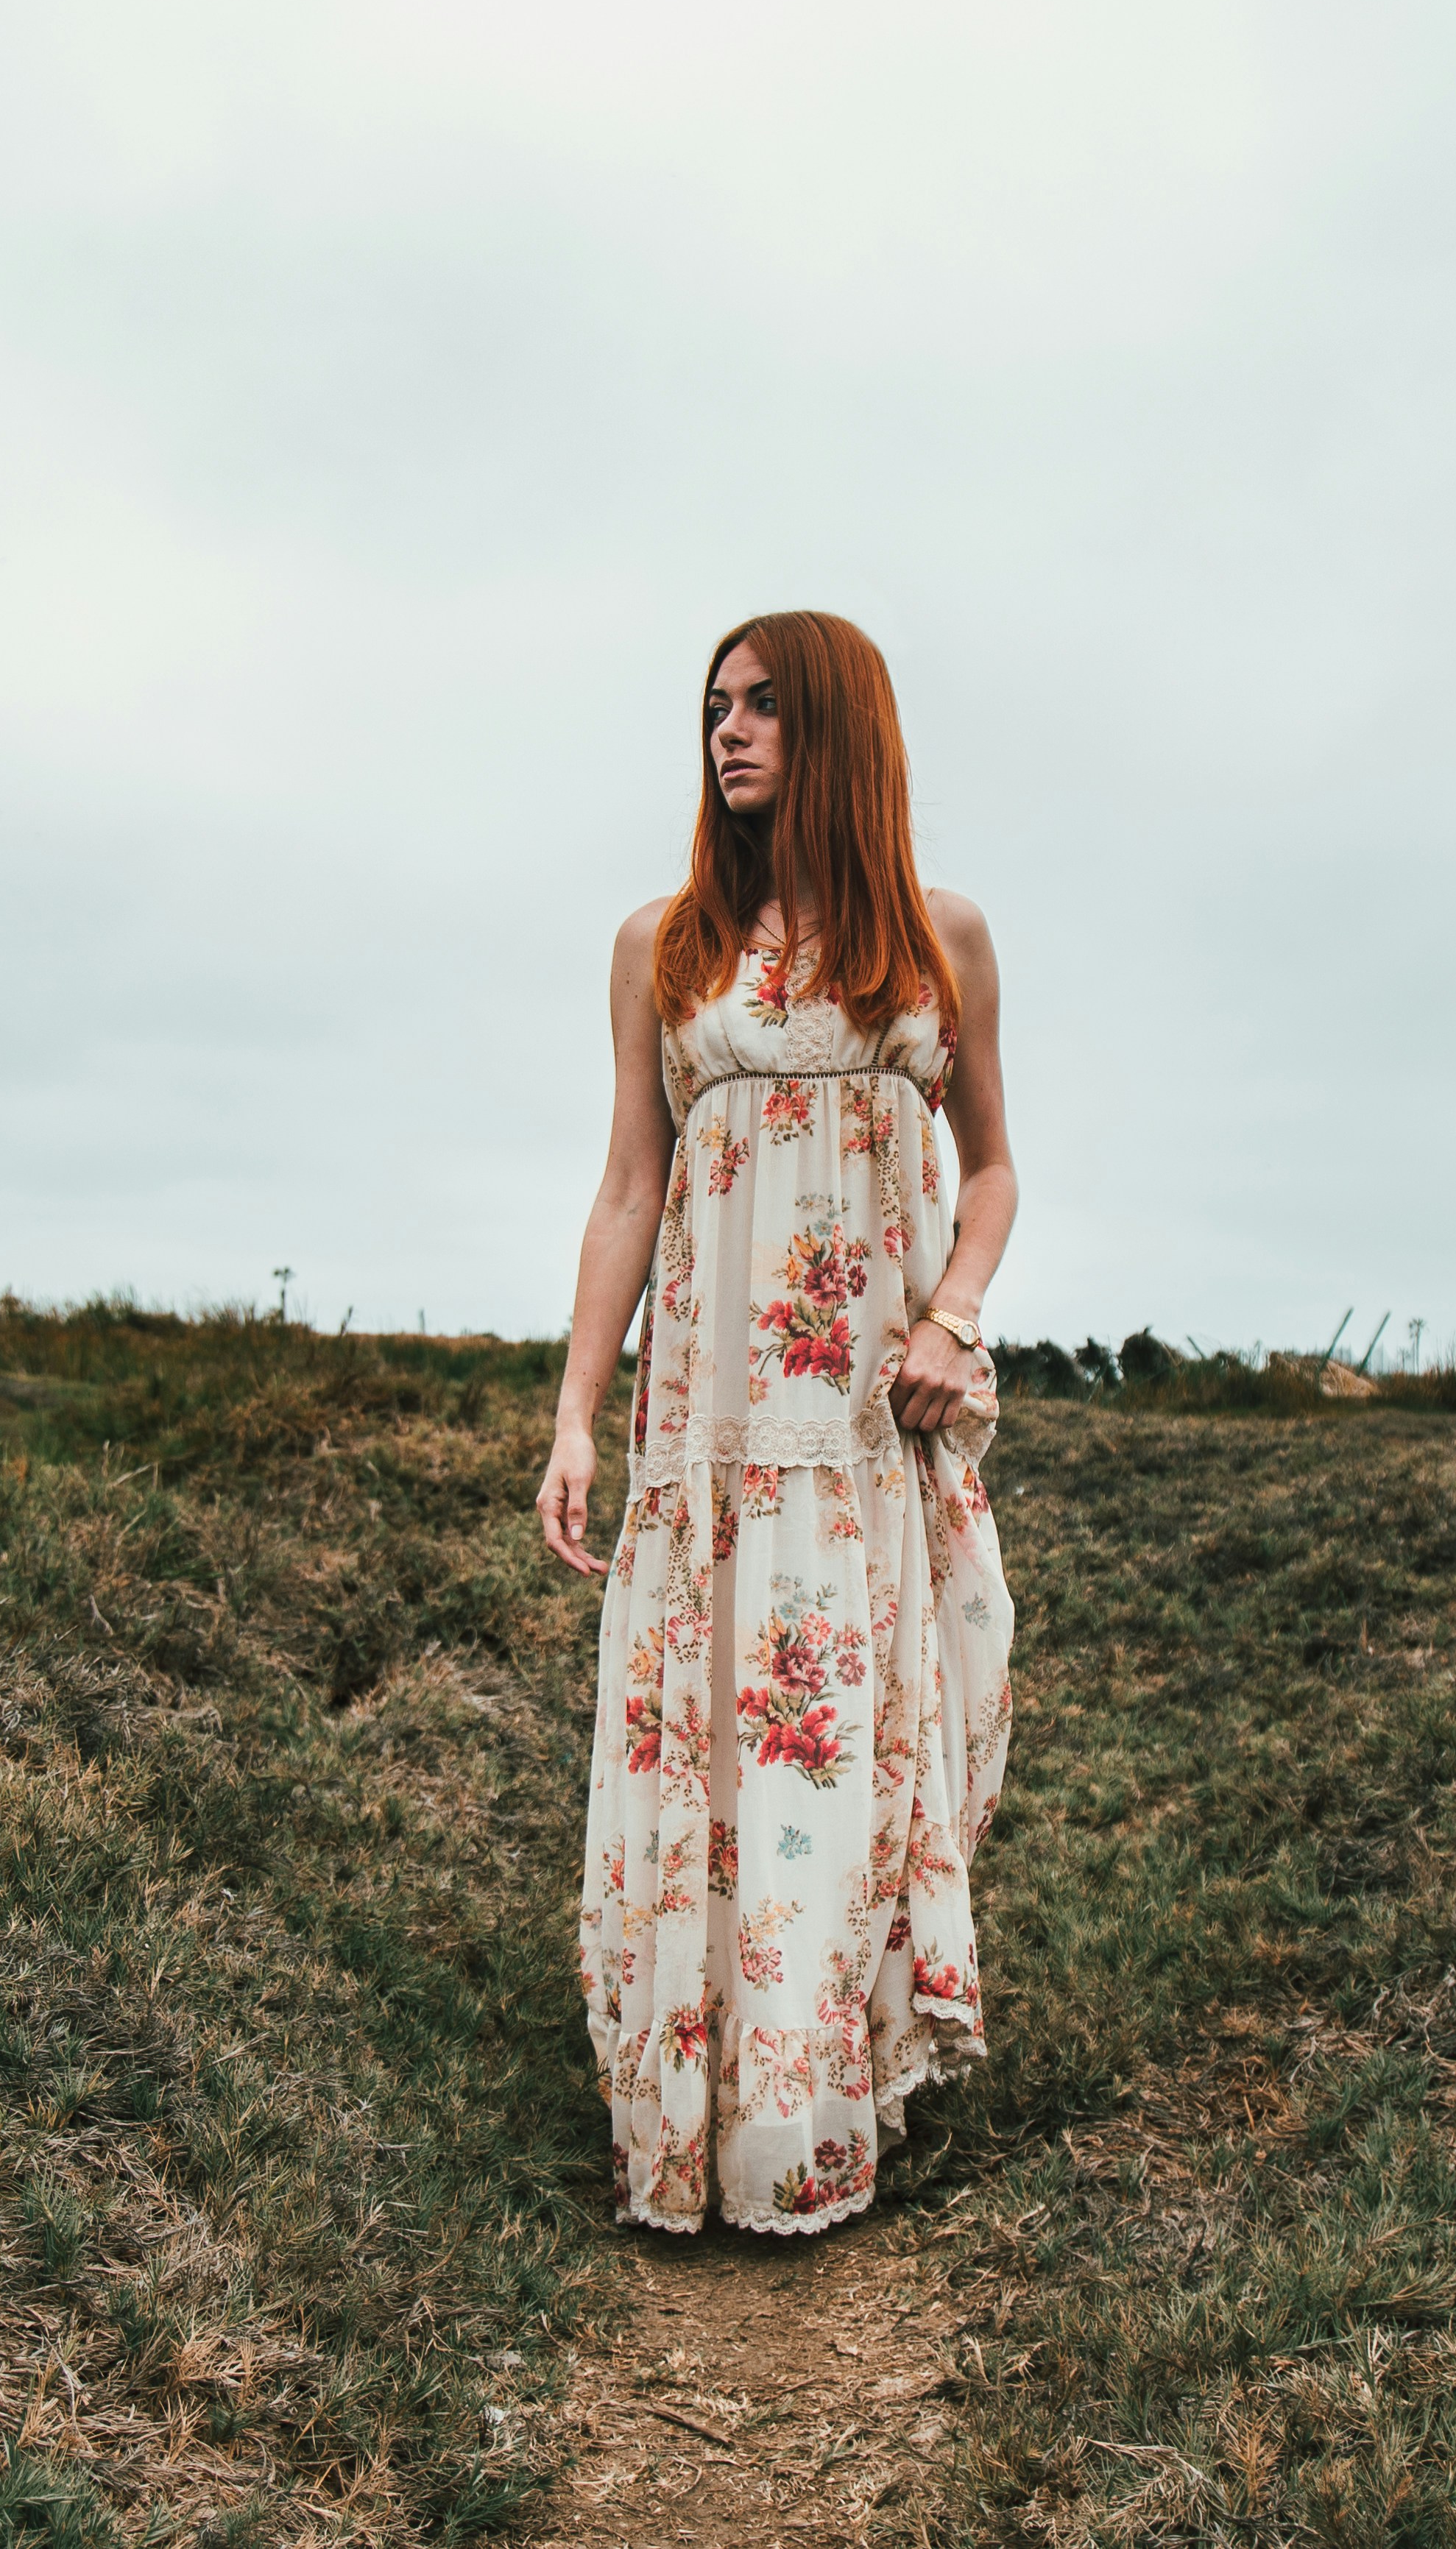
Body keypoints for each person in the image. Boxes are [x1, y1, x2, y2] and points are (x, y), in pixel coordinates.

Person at [537, 611, 1019, 2235]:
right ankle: (694, 2129)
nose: (729, 734)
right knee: (715, 1783)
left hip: (861, 1442)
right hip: (710, 1447)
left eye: (763, 708)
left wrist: (955, 1316)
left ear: (839, 730)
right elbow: (626, 1189)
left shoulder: (939, 939)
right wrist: (577, 1421)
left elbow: (998, 1170)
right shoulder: (661, 948)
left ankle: (815, 2123)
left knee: (837, 1774)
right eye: (712, 710)